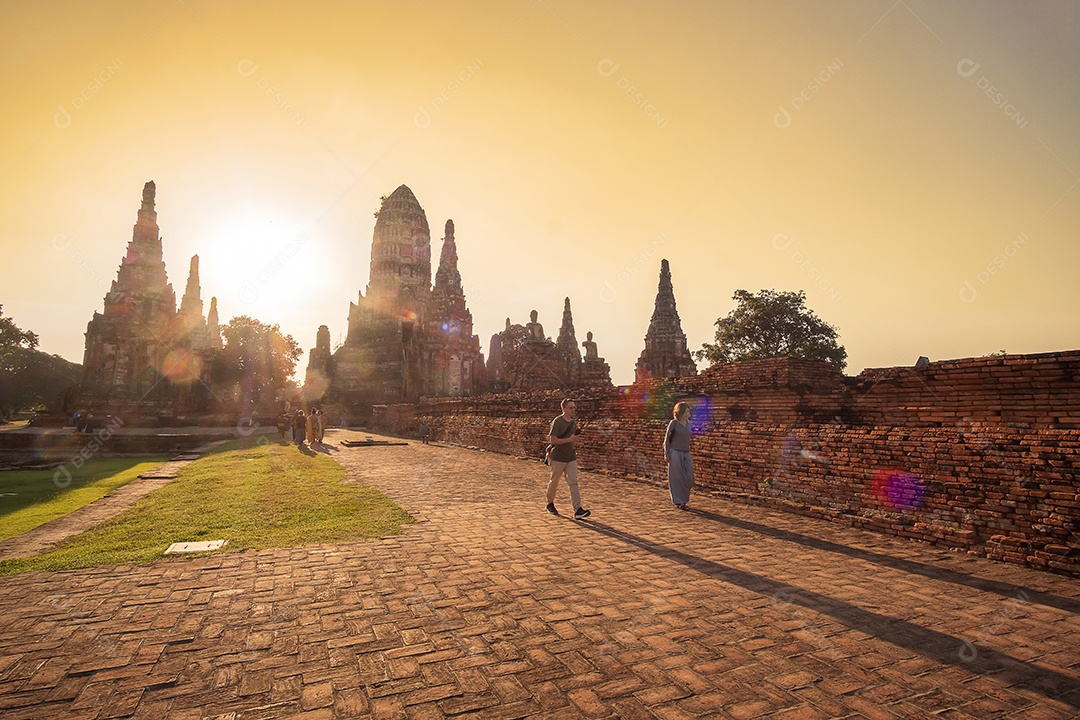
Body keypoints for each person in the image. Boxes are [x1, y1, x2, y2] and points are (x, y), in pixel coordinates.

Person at [546, 398, 590, 519]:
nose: (573, 410)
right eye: (570, 408)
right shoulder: (557, 421)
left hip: (570, 456)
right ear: (564, 409)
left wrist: (574, 438)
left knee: (573, 482)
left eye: (574, 407)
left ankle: (578, 510)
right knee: (554, 481)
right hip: (558, 457)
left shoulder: (573, 423)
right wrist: (569, 440)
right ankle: (550, 503)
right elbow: (553, 440)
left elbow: (572, 439)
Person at [664, 402, 695, 509]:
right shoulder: (674, 423)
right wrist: (667, 453)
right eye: (686, 411)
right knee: (677, 477)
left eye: (688, 411)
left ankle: (683, 499)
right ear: (680, 412)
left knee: (689, 477)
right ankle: (680, 502)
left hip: (686, 452)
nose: (688, 413)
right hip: (675, 452)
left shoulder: (690, 424)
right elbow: (667, 440)